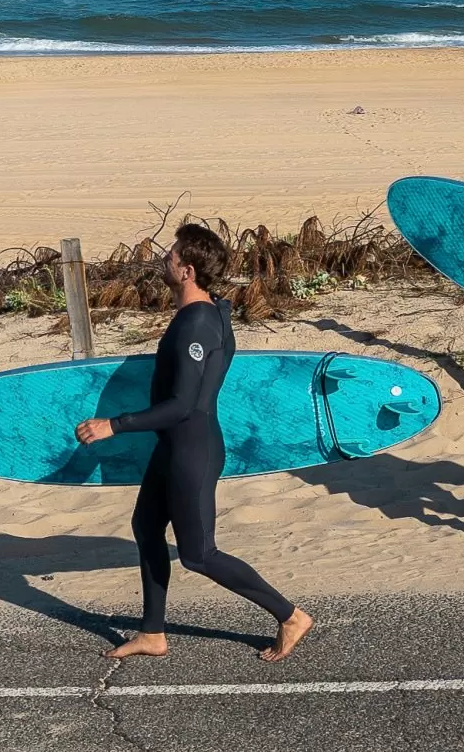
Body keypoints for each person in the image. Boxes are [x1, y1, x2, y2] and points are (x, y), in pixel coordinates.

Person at [73, 222, 313, 662]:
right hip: (173, 447)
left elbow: (183, 404)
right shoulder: (214, 311)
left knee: (199, 555)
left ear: (186, 271)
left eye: (171, 255)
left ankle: (290, 615)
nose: (165, 259)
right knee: (146, 528)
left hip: (192, 449)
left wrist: (116, 425)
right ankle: (152, 633)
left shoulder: (196, 323)